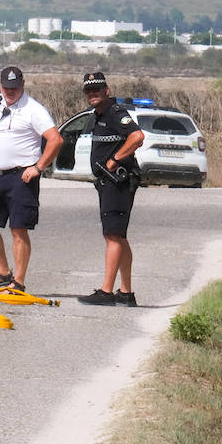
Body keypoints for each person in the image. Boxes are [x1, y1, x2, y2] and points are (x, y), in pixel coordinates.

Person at [0, 65, 62, 293]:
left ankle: (19, 282)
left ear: (22, 85)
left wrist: (39, 167)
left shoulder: (34, 110)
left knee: (18, 228)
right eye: (6, 87)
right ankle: (2, 272)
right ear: (0, 85)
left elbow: (55, 140)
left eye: (14, 88)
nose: (9, 92)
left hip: (21, 176)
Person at [76, 72, 145, 307]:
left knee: (112, 236)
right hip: (107, 183)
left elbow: (137, 136)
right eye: (89, 90)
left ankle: (106, 292)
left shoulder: (116, 114)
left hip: (118, 181)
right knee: (119, 236)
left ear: (107, 90)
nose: (93, 93)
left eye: (97, 89)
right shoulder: (98, 116)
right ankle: (126, 292)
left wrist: (115, 159)